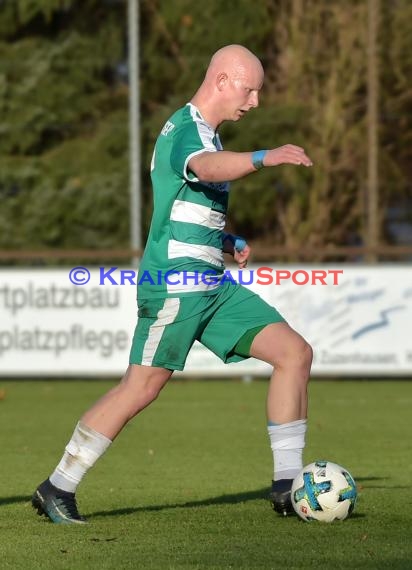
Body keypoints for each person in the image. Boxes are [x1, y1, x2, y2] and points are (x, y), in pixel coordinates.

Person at [32, 44, 313, 524]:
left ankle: (287, 486)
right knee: (140, 386)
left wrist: (224, 239)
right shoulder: (186, 130)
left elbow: (182, 198)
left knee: (294, 353)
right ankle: (56, 487)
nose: (255, 102)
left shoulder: (207, 133)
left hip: (211, 285)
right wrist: (266, 157)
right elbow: (204, 168)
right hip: (176, 287)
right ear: (223, 80)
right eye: (250, 90)